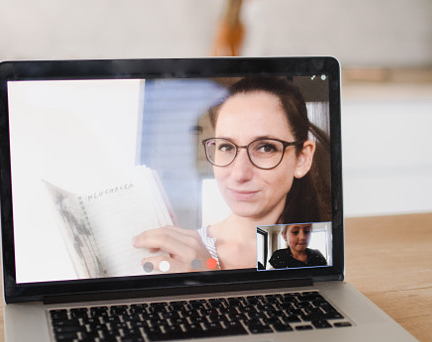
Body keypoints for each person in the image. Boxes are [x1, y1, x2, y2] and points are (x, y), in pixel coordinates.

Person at [133, 76, 331, 272]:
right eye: (226, 147)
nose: (239, 174)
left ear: (302, 159)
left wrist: (211, 278)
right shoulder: (183, 254)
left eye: (265, 148)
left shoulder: (320, 249)